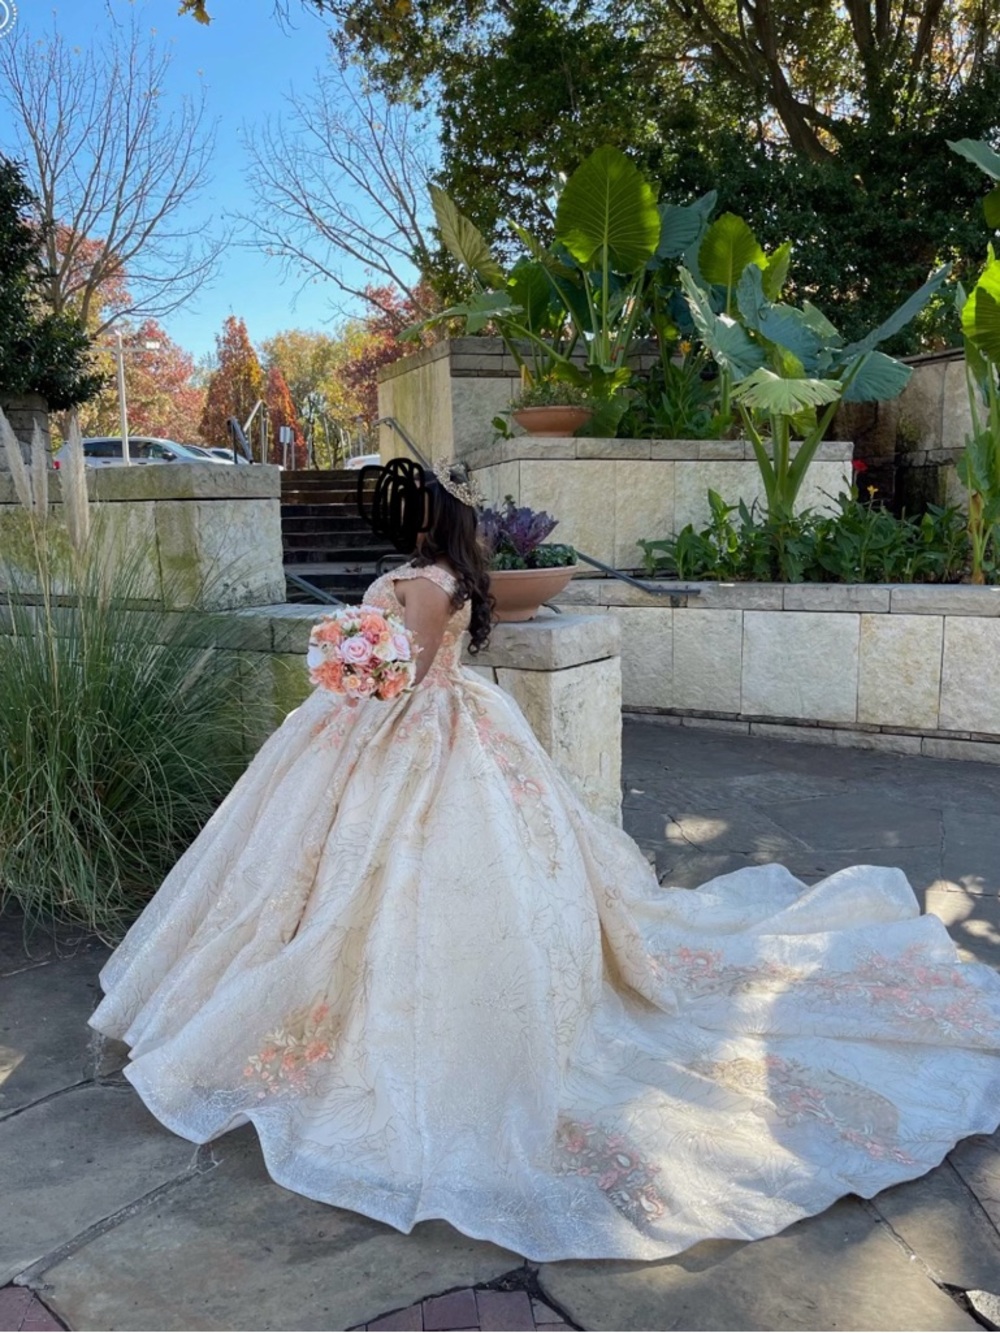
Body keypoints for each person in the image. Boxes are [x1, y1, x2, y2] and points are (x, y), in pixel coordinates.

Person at [90, 458, 1000, 1264]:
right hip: (424, 728)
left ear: (423, 521)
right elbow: (411, 658)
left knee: (397, 870)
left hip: (407, 732)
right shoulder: (449, 574)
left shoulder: (422, 579)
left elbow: (399, 672)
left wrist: (350, 661)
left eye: (405, 506)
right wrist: (357, 660)